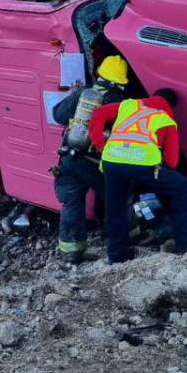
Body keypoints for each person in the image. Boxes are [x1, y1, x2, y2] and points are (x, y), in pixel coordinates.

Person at [90, 87, 187, 264]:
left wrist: (100, 144)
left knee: (116, 208)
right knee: (181, 185)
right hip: (142, 165)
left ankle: (116, 256)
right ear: (171, 106)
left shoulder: (129, 105)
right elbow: (172, 161)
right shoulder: (166, 120)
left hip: (111, 161)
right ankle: (186, 243)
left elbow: (98, 113)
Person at [53, 55, 129, 264]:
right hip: (94, 162)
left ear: (100, 75)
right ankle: (122, 244)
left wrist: (72, 97)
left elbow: (57, 115)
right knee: (118, 199)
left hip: (68, 158)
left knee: (71, 203)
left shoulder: (83, 94)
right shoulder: (120, 104)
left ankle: (71, 252)